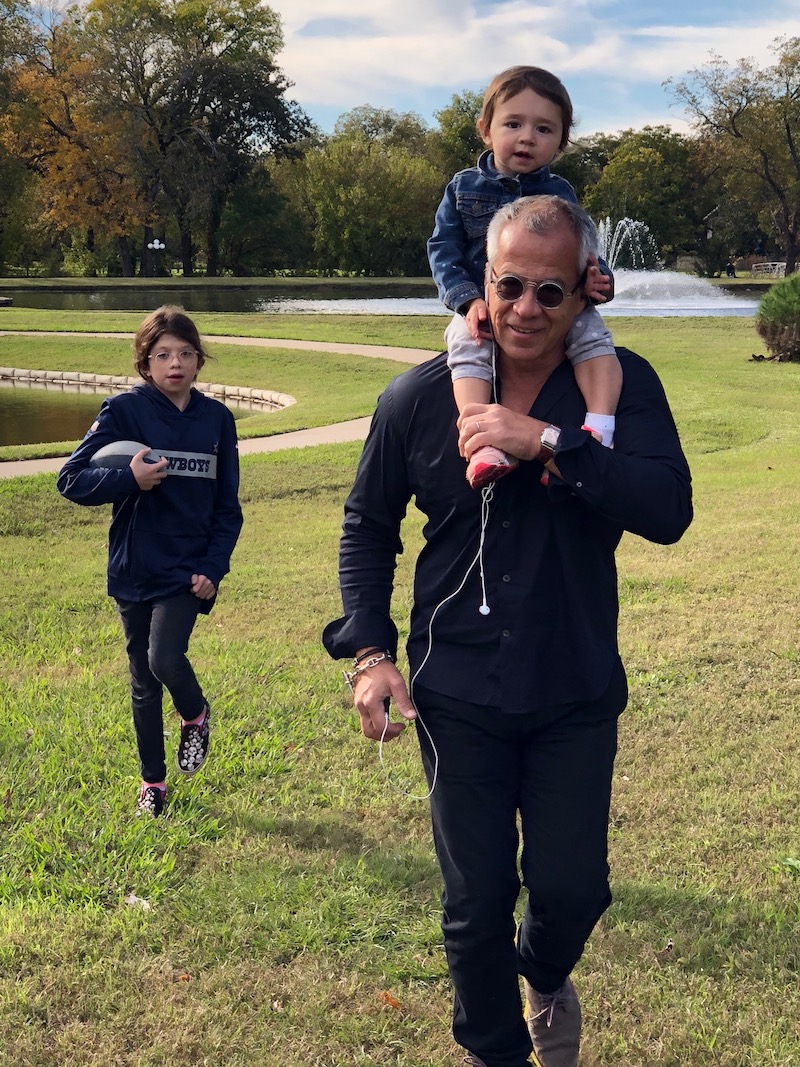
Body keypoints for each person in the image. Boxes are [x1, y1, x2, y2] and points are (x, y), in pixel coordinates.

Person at [324, 196, 692, 1067]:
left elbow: (668, 508)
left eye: (551, 290)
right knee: (474, 898)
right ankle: (494, 1050)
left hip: (573, 683)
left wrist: (549, 443)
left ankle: (544, 971)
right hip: (456, 689)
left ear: (584, 295)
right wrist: (372, 654)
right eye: (511, 284)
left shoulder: (620, 385)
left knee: (573, 889)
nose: (527, 307)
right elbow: (366, 526)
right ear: (483, 283)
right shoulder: (420, 395)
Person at [57, 306, 243, 817]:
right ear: (145, 363)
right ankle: (153, 785)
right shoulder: (122, 411)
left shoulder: (217, 420)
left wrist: (214, 567)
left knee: (165, 659)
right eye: (162, 355)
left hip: (187, 571)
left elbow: (228, 510)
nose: (175, 364)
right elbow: (69, 480)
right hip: (134, 568)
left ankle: (195, 713)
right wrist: (128, 481)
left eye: (185, 353)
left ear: (199, 361)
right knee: (142, 680)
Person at [428, 65, 622, 490]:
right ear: (486, 129)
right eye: (513, 123)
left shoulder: (561, 193)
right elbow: (443, 251)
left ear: (561, 141)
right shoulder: (462, 188)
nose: (527, 137)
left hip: (556, 301)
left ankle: (598, 430)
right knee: (467, 342)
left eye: (544, 128)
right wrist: (467, 301)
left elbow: (586, 250)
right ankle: (480, 441)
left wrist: (595, 280)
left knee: (592, 335)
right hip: (484, 303)